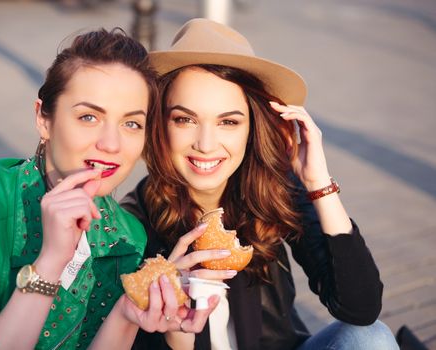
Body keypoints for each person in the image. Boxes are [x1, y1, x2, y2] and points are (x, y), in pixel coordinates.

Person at [0, 28, 217, 350]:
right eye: (88, 116)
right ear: (44, 119)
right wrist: (51, 262)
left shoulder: (127, 239)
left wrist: (125, 315)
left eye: (131, 124)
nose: (111, 144)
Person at [122, 18, 400, 349]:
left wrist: (318, 183)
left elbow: (360, 307)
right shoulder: (132, 227)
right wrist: (173, 302)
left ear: (252, 128)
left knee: (371, 337)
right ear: (160, 124)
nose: (206, 144)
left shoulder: (272, 192)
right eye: (185, 119)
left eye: (228, 122)